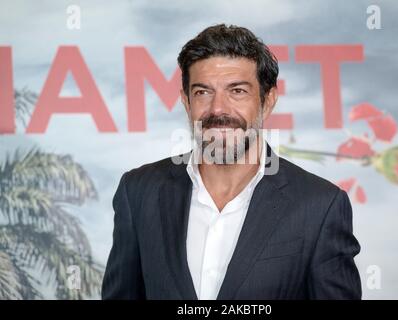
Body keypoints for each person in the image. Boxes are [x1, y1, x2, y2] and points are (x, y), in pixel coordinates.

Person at [101, 24, 362, 300]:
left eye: (237, 91)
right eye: (203, 92)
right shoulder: (139, 191)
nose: (218, 109)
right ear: (186, 102)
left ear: (267, 100)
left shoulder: (320, 206)